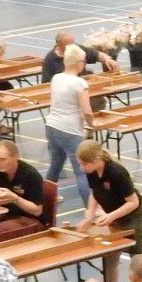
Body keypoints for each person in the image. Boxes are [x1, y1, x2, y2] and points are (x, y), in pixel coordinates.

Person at [75, 140, 142, 282]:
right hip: (115, 218)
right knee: (110, 259)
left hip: (136, 217)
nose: (81, 168)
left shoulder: (117, 173)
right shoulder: (92, 172)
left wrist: (111, 216)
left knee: (139, 262)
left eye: (84, 164)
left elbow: (133, 202)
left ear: (96, 160)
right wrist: (89, 217)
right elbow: (94, 193)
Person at [44, 43, 93, 209]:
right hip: (70, 130)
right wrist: (91, 125)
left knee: (55, 166)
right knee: (81, 170)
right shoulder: (80, 83)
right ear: (78, 62)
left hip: (52, 126)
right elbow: (87, 111)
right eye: (83, 61)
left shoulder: (56, 78)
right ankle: (90, 209)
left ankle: (45, 200)